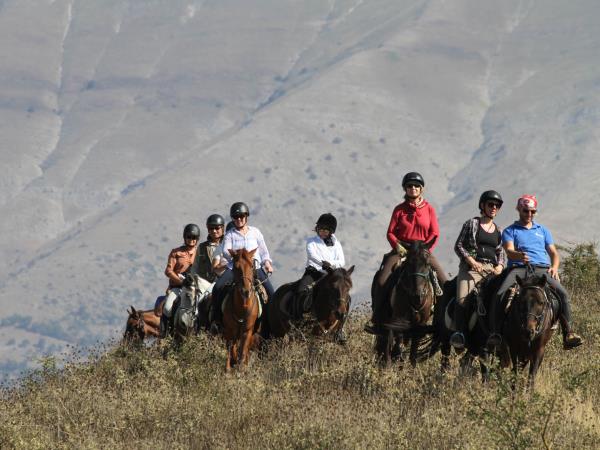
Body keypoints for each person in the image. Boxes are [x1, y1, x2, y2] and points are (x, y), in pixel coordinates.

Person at [487, 195, 583, 349]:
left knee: (563, 294)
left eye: (533, 211)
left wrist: (555, 267)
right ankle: (496, 333)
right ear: (519, 210)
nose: (529, 214)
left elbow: (553, 253)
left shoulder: (543, 230)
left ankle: (568, 333)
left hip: (542, 269)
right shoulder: (510, 230)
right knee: (501, 293)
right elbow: (509, 251)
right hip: (518, 268)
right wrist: (519, 255)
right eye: (526, 211)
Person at [367, 172, 448, 332]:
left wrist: (425, 250)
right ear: (405, 189)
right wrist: (398, 247)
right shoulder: (399, 209)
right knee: (382, 280)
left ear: (421, 189)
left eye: (416, 186)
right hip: (402, 250)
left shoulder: (429, 209)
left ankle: (442, 323)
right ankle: (378, 318)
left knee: (444, 282)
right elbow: (390, 232)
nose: (413, 188)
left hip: (422, 251)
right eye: (410, 186)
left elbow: (435, 233)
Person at [449, 190, 506, 349]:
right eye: (490, 204)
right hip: (471, 268)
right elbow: (459, 245)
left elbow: (500, 252)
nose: (494, 207)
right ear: (482, 205)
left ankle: (496, 333)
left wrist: (500, 266)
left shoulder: (499, 230)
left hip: (491, 270)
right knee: (462, 299)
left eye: (497, 206)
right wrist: (471, 261)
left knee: (502, 298)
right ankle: (459, 334)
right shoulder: (471, 224)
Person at [210, 202, 275, 333]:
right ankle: (216, 320)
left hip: (254, 268)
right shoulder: (230, 234)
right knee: (217, 288)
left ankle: (268, 323)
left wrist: (267, 263)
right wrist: (239, 254)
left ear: (246, 216)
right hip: (235, 268)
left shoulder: (255, 232)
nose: (239, 219)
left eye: (241, 216)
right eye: (235, 217)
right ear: (233, 218)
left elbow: (263, 252)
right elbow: (226, 252)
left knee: (271, 292)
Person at [294, 213, 348, 341]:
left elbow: (342, 261)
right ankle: (298, 323)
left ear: (331, 231)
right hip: (314, 272)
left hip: (331, 275)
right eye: (321, 229)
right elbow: (312, 255)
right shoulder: (311, 241)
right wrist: (323, 264)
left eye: (326, 230)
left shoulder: (337, 244)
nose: (322, 232)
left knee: (345, 296)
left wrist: (332, 265)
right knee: (301, 291)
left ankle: (340, 329)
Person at [160, 223, 200, 338]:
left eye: (194, 238)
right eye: (189, 237)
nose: (191, 240)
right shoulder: (176, 252)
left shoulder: (200, 252)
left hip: (195, 288)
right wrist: (180, 281)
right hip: (178, 287)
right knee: (167, 307)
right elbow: (168, 271)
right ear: (184, 237)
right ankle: (165, 334)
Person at [190, 214, 225, 283]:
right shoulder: (202, 247)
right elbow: (195, 268)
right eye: (211, 228)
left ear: (222, 228)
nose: (214, 231)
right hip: (206, 285)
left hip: (225, 282)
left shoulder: (229, 245)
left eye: (217, 228)